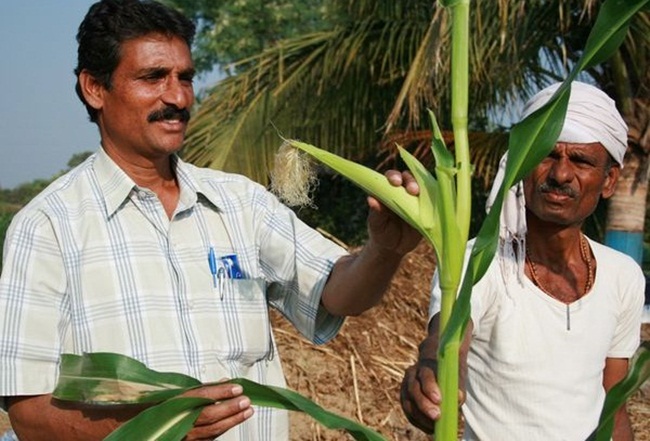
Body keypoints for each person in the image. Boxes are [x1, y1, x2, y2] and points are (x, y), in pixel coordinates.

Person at [0, 1, 421, 440]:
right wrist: (160, 427)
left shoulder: (240, 202)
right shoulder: (48, 226)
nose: (178, 97)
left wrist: (383, 251)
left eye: (185, 77)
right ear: (94, 88)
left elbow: (337, 291)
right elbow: (29, 414)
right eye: (153, 77)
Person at [400, 81, 645, 441]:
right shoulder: (479, 263)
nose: (560, 174)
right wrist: (433, 372)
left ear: (608, 181)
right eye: (546, 154)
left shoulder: (623, 276)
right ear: (521, 162)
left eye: (580, 160)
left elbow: (614, 402)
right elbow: (448, 340)